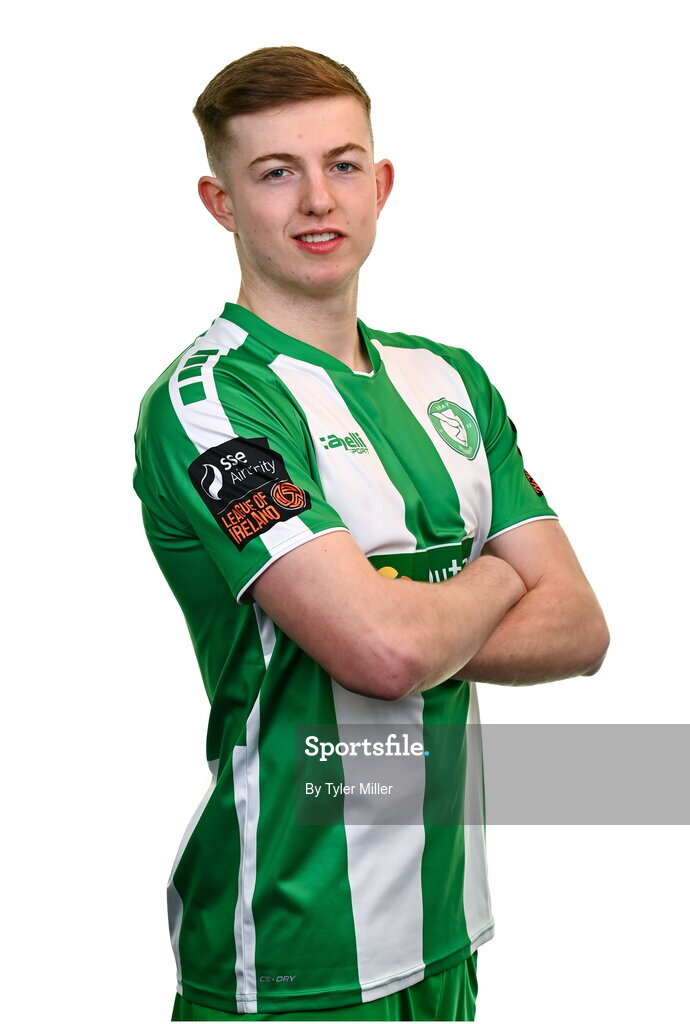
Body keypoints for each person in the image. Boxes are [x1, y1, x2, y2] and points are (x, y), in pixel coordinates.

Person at [133, 45, 609, 1022]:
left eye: (342, 164)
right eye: (276, 172)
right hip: (293, 958)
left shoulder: (453, 381)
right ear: (221, 202)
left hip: (447, 934)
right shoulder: (211, 401)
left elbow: (582, 628)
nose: (318, 200)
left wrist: (408, 604)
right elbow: (383, 651)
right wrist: (491, 577)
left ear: (380, 184)